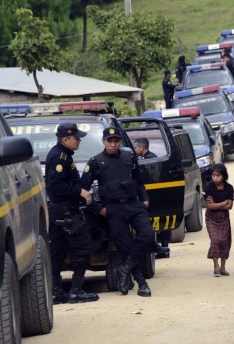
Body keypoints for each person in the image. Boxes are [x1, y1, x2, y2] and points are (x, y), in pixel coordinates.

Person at [81, 127, 169, 297]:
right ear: (104, 142)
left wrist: (145, 199)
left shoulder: (129, 156)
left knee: (148, 234)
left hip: (133, 204)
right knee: (125, 247)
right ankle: (142, 283)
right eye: (109, 141)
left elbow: (139, 180)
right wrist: (99, 210)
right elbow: (84, 191)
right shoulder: (95, 162)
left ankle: (124, 269)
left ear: (120, 142)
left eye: (116, 141)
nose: (113, 144)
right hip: (113, 209)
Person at [45, 122, 99, 304]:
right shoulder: (60, 158)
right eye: (76, 138)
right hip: (66, 210)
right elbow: (56, 185)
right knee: (83, 247)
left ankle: (55, 291)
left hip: (59, 209)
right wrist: (79, 192)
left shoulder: (64, 155)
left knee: (57, 251)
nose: (79, 141)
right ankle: (76, 290)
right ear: (65, 139)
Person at [133, 138, 170, 259]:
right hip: (157, 195)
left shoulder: (148, 160)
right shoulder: (152, 157)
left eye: (136, 147)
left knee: (156, 222)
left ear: (142, 148)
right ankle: (163, 248)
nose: (135, 150)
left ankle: (163, 249)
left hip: (154, 195)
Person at [204, 164, 234, 277]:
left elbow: (230, 206)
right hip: (211, 218)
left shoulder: (229, 188)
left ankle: (223, 267)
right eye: (213, 175)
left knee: (224, 241)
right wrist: (223, 203)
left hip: (224, 218)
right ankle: (215, 266)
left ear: (224, 176)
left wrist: (217, 204)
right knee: (215, 240)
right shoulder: (209, 187)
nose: (215, 177)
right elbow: (210, 207)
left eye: (218, 175)